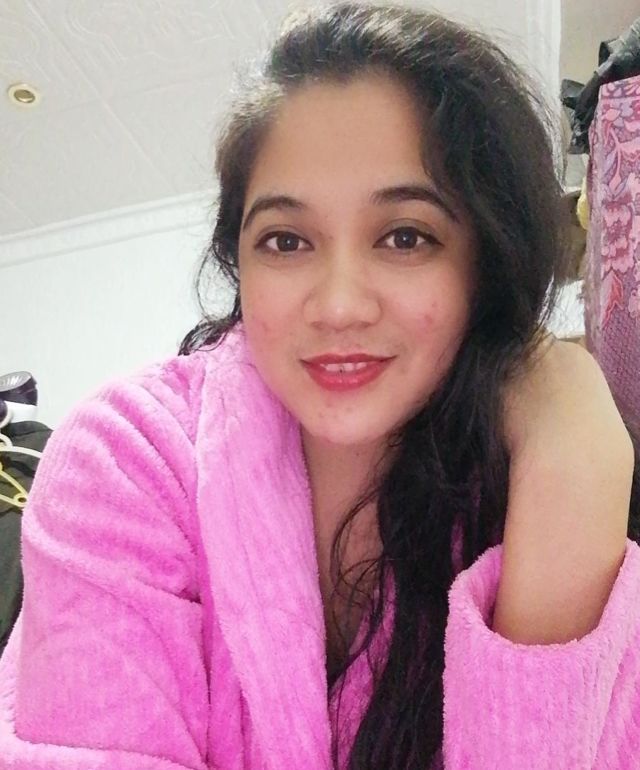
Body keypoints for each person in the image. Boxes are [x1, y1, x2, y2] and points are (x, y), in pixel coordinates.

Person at [1, 3, 639, 769]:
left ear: (484, 265)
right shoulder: (128, 459)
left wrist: (573, 474)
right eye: (286, 240)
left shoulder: (529, 487)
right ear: (239, 265)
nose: (338, 306)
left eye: (405, 236)